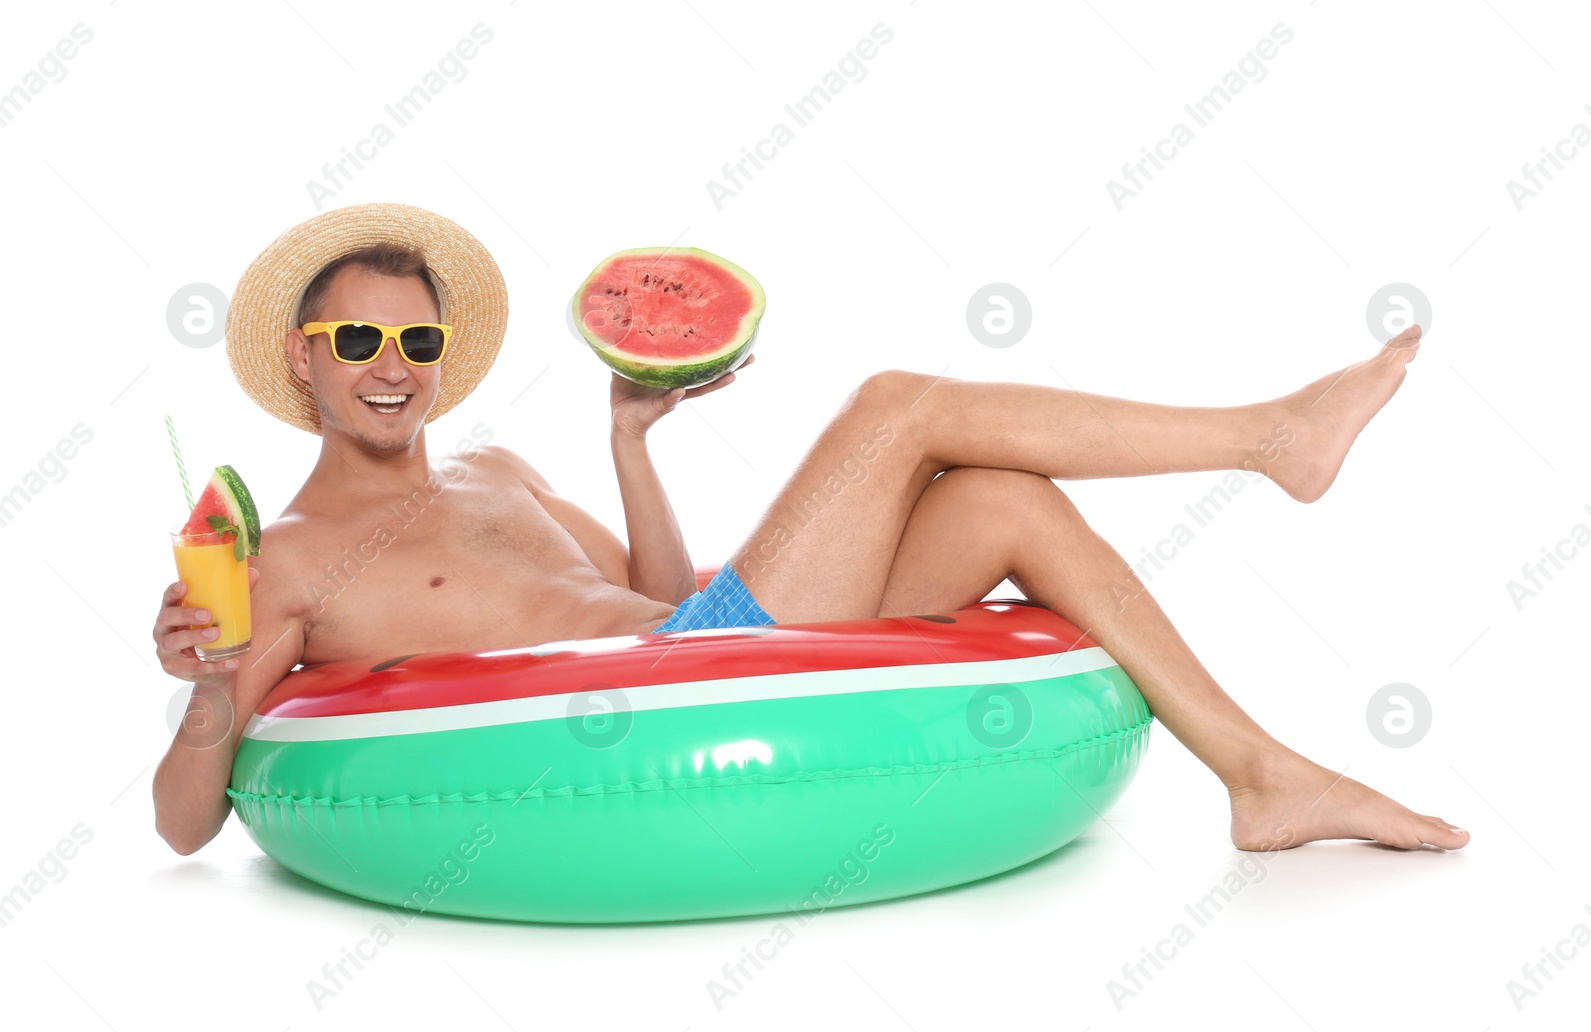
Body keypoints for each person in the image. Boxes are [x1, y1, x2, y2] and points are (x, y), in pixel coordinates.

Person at [152, 202, 1467, 857]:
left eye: (418, 337)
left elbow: (650, 597)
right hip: (668, 704)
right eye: (360, 339)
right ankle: (1269, 439)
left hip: (698, 641)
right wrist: (214, 691)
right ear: (304, 358)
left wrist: (627, 446)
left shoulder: (497, 467)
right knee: (899, 405)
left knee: (1000, 500)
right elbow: (182, 826)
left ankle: (1260, 775)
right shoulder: (285, 561)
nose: (395, 364)